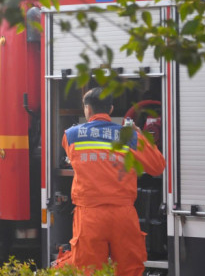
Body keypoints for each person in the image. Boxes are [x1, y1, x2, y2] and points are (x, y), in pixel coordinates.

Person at [60, 87, 165, 276]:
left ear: (87, 109)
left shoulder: (71, 136)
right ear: (110, 109)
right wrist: (139, 135)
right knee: (129, 270)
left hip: (89, 216)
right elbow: (157, 167)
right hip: (122, 214)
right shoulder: (130, 136)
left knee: (88, 271)